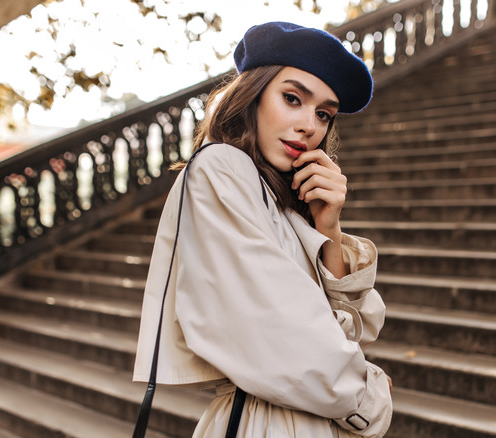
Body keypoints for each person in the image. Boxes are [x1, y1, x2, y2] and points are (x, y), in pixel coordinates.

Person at [133, 21, 393, 437]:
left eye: (323, 114)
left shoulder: (284, 203)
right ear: (252, 95)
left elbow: (348, 332)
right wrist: (369, 398)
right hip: (262, 423)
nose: (310, 126)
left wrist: (329, 225)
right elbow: (278, 335)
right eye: (292, 98)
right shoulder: (221, 167)